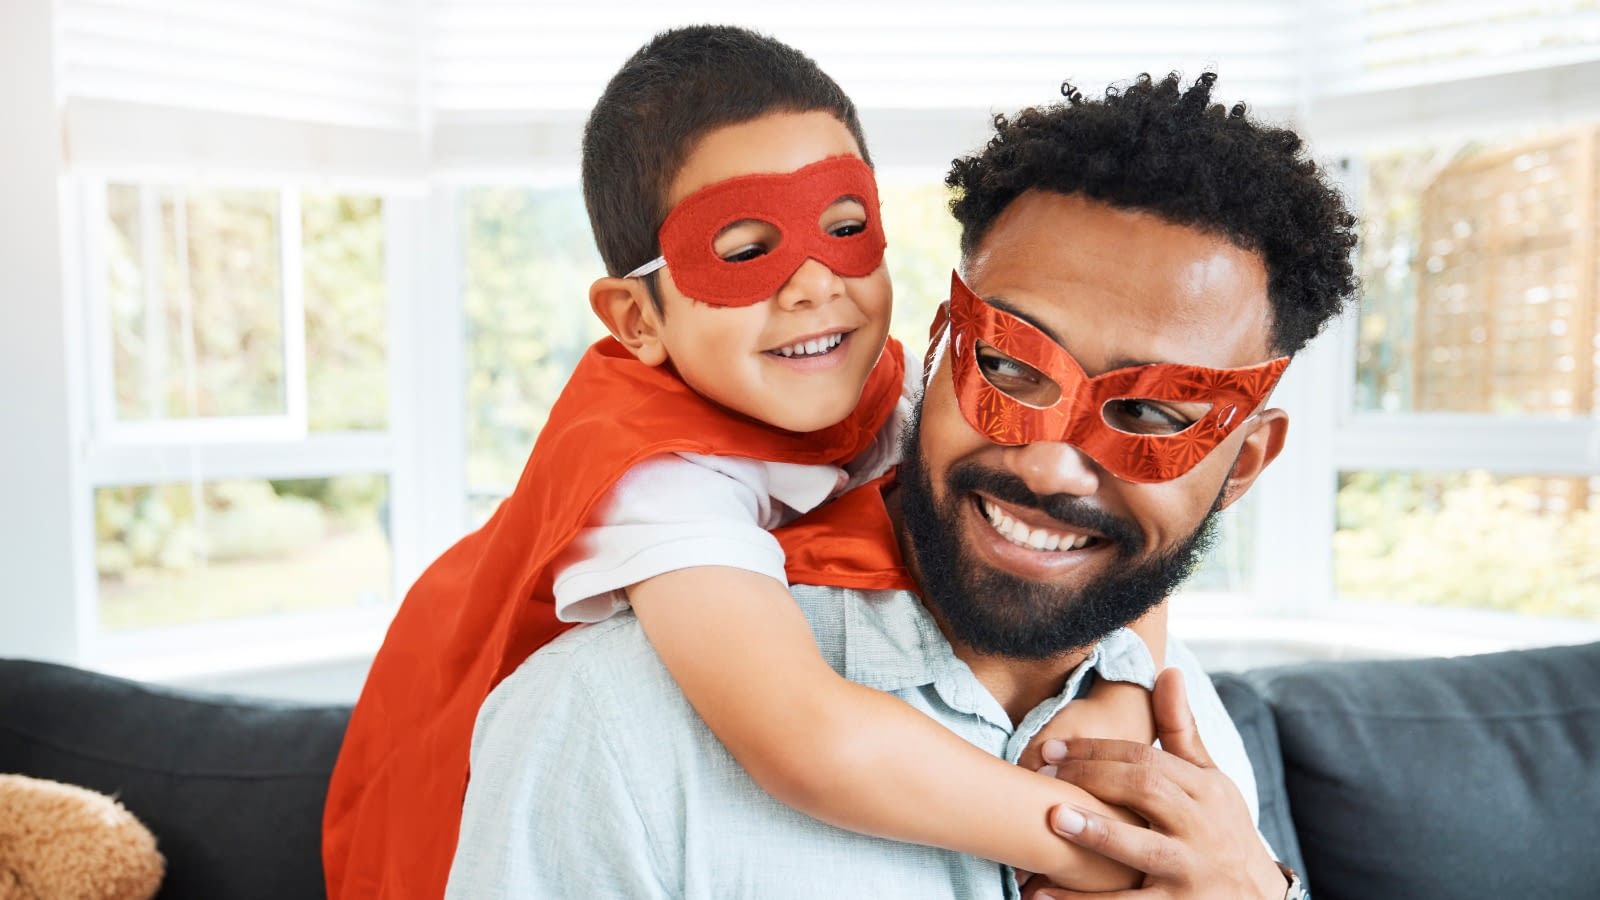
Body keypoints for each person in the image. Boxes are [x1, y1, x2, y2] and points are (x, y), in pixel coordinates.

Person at [443, 69, 1357, 899]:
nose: (1047, 463)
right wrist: (1096, 841)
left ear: (1241, 464)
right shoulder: (610, 711)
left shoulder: (1175, 720)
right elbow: (809, 741)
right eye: (1008, 365)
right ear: (943, 345)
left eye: (1153, 414)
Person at [325, 26, 1167, 900]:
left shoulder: (888, 384)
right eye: (742, 253)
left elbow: (1123, 514)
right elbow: (807, 741)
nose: (813, 285)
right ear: (637, 319)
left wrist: (1122, 694)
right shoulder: (653, 477)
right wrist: (1093, 845)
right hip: (476, 760)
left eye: (845, 227)